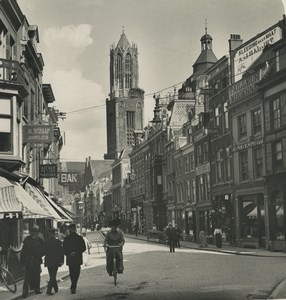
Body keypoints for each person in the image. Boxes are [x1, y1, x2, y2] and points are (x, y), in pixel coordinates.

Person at [20, 224, 44, 298]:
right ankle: (35, 290)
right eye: (35, 232)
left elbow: (23, 252)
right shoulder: (39, 240)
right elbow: (43, 251)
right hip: (34, 261)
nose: (35, 233)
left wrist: (23, 262)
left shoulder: (27, 240)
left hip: (30, 261)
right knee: (34, 276)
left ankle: (26, 292)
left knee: (29, 277)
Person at [63, 224, 86, 294]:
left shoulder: (66, 239)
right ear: (75, 229)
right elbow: (83, 248)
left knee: (72, 272)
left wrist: (69, 253)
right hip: (77, 258)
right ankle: (74, 285)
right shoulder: (79, 238)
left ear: (70, 230)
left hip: (70, 258)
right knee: (77, 272)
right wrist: (76, 252)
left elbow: (64, 249)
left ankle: (73, 285)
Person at [43, 228, 64, 295]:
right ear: (54, 234)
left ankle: (55, 288)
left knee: (52, 274)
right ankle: (49, 289)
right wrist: (62, 260)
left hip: (49, 260)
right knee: (53, 275)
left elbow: (44, 252)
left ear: (49, 234)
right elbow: (61, 252)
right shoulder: (58, 242)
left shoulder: (45, 242)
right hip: (56, 260)